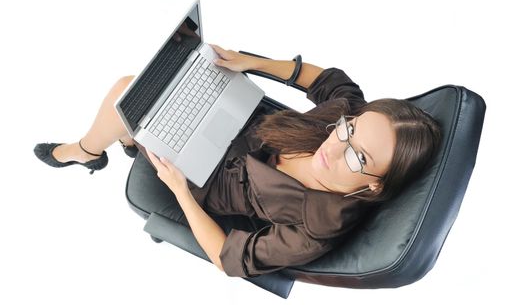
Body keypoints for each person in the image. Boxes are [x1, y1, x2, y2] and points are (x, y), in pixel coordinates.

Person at [34, 44, 442, 278]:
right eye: (349, 129)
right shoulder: (349, 121)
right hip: (241, 118)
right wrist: (253, 63)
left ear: (374, 185)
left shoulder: (317, 228)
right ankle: (121, 138)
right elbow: (331, 81)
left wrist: (180, 193)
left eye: (358, 156)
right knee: (152, 89)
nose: (334, 147)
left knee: (129, 92)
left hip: (206, 177)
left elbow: (232, 259)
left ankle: (85, 151)